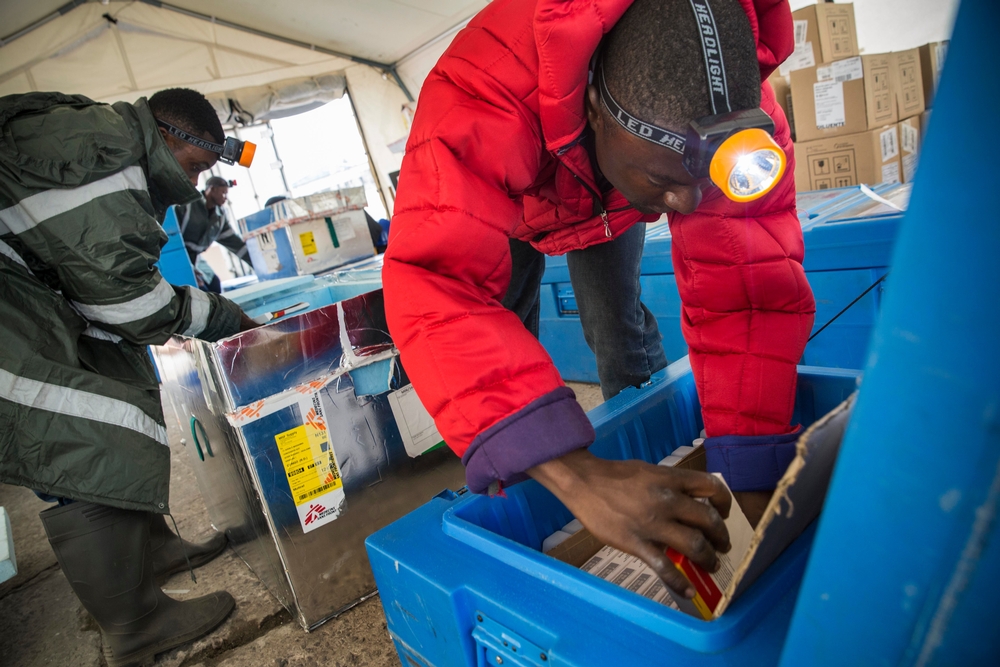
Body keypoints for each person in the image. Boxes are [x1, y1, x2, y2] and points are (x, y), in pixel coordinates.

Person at [383, 0, 815, 599]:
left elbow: (746, 292)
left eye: (700, 183)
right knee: (499, 347)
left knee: (615, 330)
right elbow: (434, 281)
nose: (688, 205)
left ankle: (630, 455)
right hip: (519, 199)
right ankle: (527, 493)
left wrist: (750, 468)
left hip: (610, 202)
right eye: (665, 182)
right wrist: (578, 476)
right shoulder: (479, 95)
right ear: (591, 103)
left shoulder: (737, 126)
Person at [0, 87, 258, 666]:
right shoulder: (105, 157)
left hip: (21, 294)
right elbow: (131, 305)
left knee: (124, 372)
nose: (194, 186)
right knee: (85, 432)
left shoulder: (108, 141)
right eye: (194, 169)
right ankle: (136, 623)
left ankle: (152, 550)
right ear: (169, 135)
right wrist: (225, 318)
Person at [175, 175, 250, 293]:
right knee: (200, 290)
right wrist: (187, 268)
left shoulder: (220, 217)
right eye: (223, 193)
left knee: (215, 283)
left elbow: (236, 244)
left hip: (196, 258)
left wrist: (259, 263)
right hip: (177, 256)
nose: (225, 198)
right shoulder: (188, 204)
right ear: (212, 189)